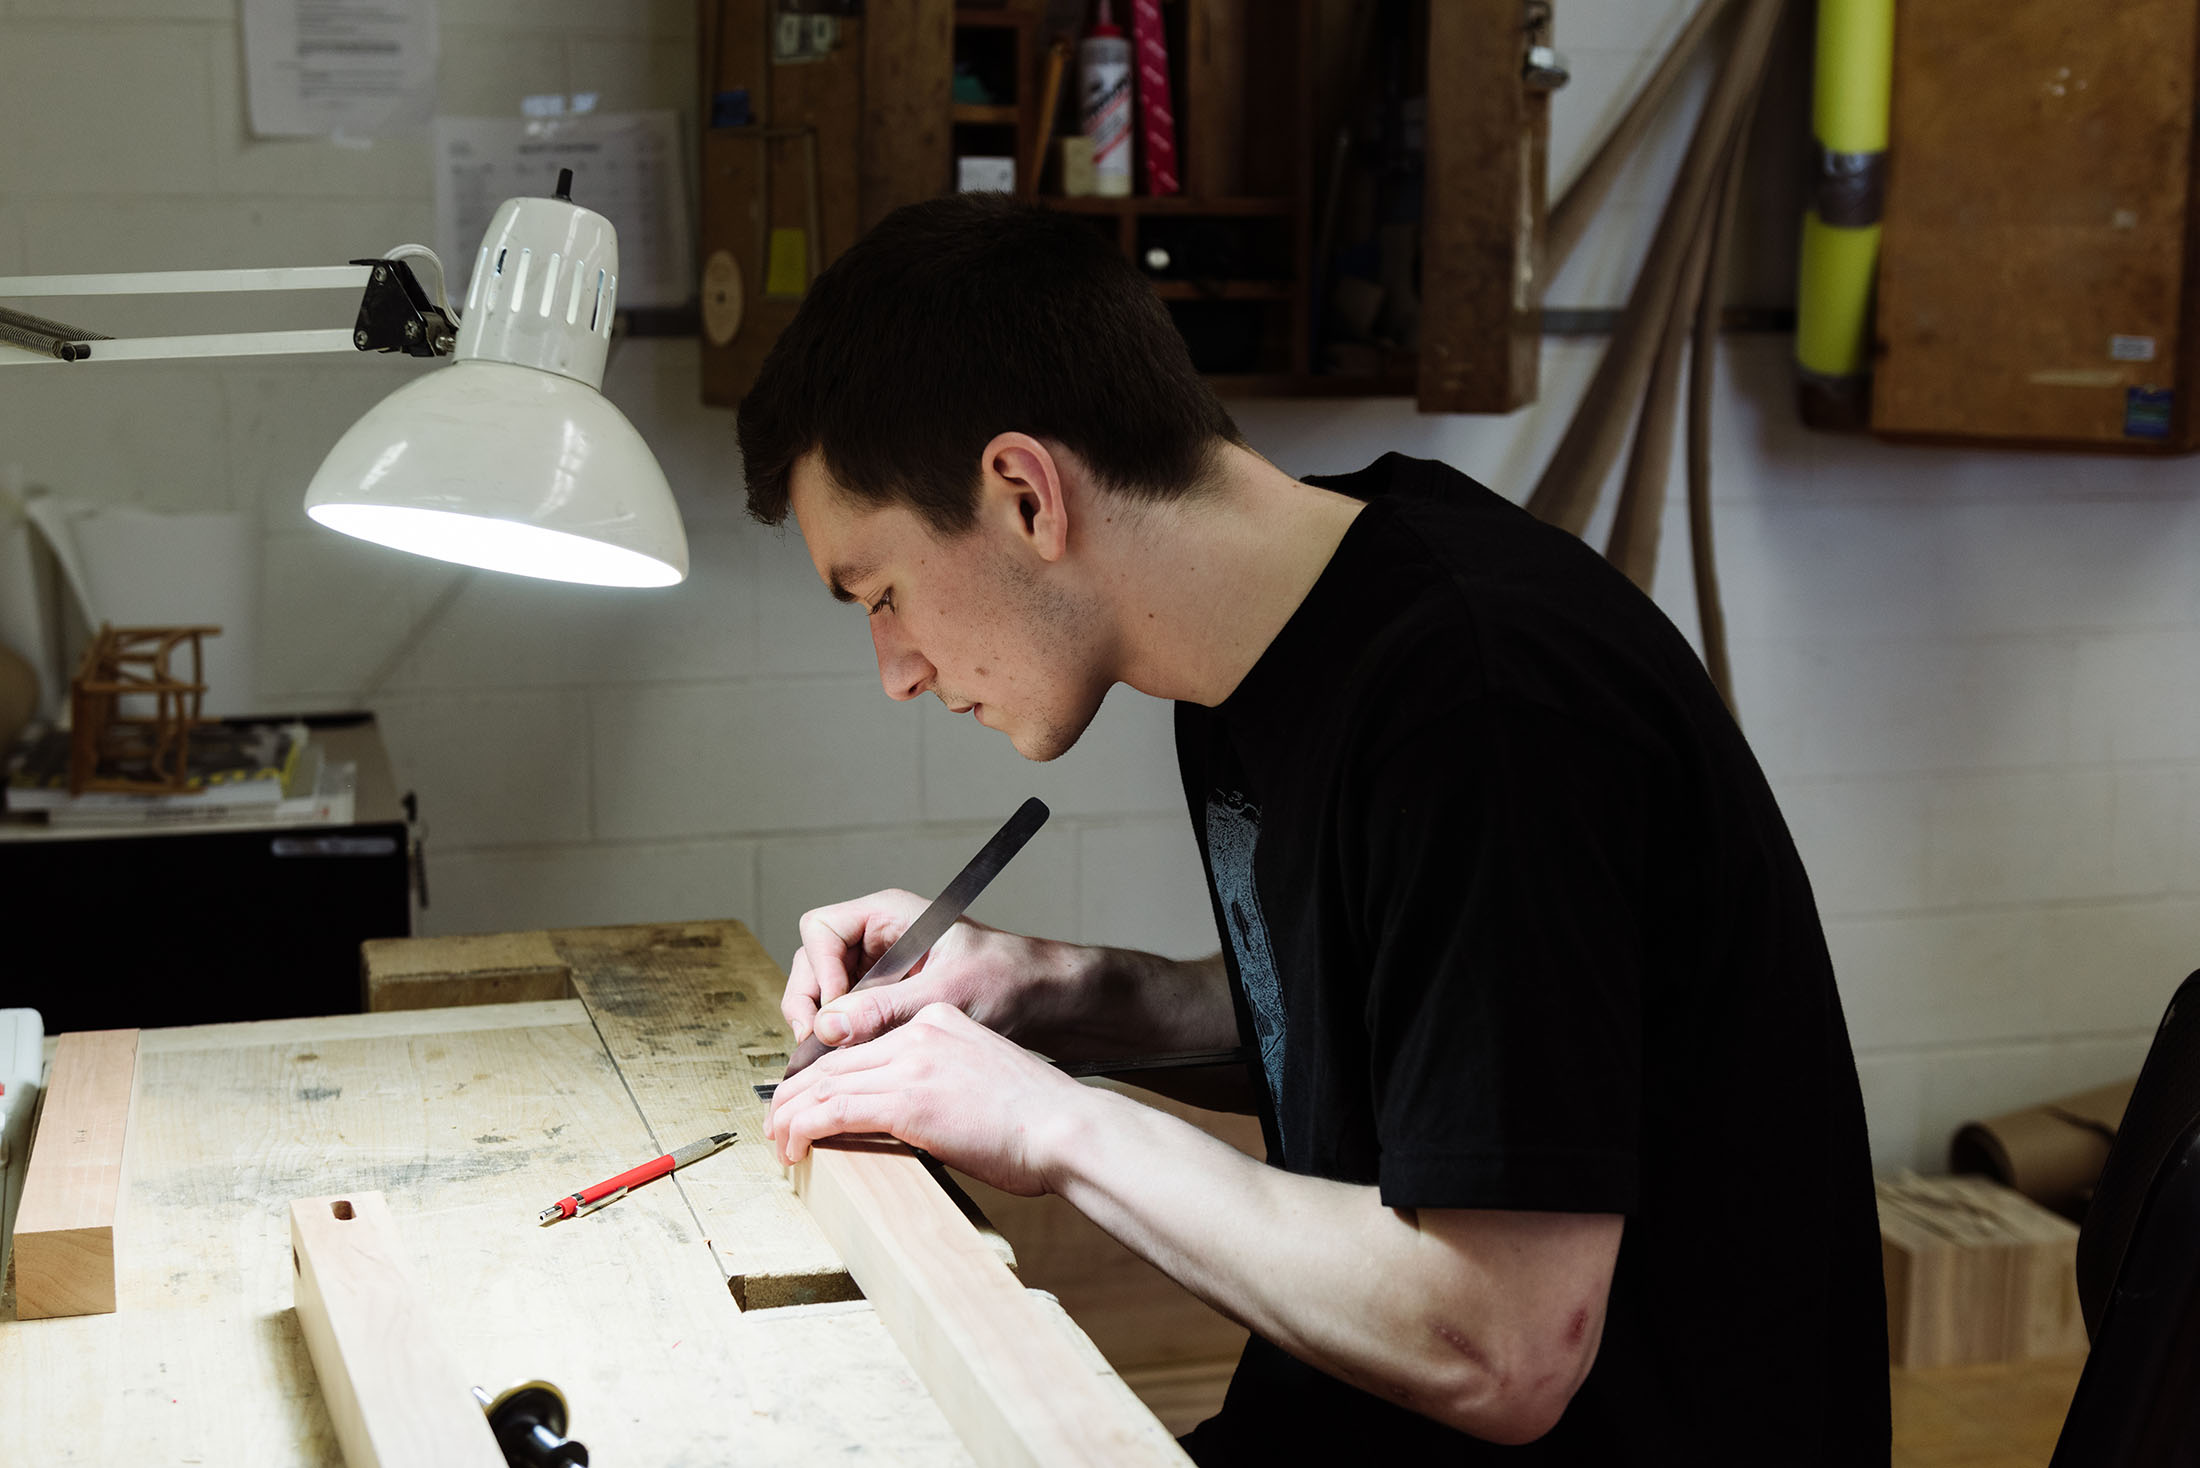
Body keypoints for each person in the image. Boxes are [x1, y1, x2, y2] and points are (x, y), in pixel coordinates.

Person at [741, 194, 1890, 1462]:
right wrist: (1051, 989)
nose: (895, 667)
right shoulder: (1266, 647)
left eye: (883, 591)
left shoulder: (1484, 705)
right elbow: (1395, 1033)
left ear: (1025, 493)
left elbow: (1503, 1342)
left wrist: (1042, 1120)